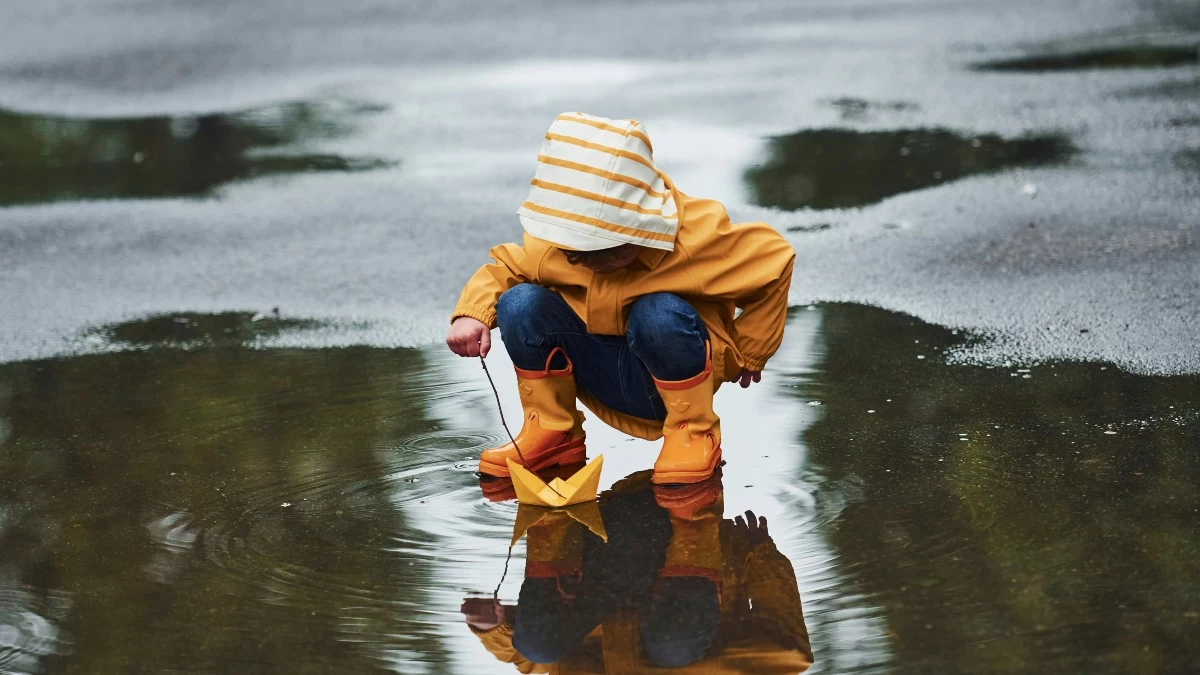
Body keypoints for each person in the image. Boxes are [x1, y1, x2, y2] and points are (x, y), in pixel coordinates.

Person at [447, 112, 795, 484]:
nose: (584, 260)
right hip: (597, 368)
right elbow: (504, 269)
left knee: (657, 312)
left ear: (641, 225)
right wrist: (472, 315)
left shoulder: (698, 237)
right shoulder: (555, 244)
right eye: (573, 251)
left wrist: (752, 349)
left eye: (602, 249)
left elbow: (775, 259)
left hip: (671, 376)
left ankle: (693, 432)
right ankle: (553, 429)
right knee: (519, 303)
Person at [460, 469, 813, 672]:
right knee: (674, 647)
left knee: (539, 645)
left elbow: (543, 662)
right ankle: (691, 478)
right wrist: (758, 554)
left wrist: (495, 628)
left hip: (601, 562)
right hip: (684, 559)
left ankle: (551, 478)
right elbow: (791, 654)